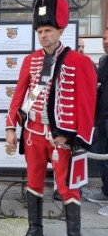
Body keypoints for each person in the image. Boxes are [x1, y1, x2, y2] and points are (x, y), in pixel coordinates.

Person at [6, 0, 97, 235]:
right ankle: (35, 229)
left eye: (48, 30)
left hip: (61, 139)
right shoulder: (30, 61)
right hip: (32, 134)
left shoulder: (80, 62)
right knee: (34, 183)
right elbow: (18, 97)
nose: (43, 35)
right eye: (40, 31)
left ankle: (73, 233)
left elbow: (87, 106)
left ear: (60, 30)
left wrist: (72, 137)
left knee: (67, 188)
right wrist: (10, 128)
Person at [52, 37, 86, 201]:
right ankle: (59, 190)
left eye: (82, 46)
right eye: (78, 46)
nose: (80, 49)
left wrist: (77, 132)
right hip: (52, 128)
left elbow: (85, 101)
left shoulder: (85, 64)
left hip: (73, 130)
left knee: (74, 175)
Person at [87, 27, 108, 216]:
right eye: (104, 38)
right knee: (102, 157)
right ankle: (106, 192)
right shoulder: (103, 61)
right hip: (101, 117)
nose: (106, 41)